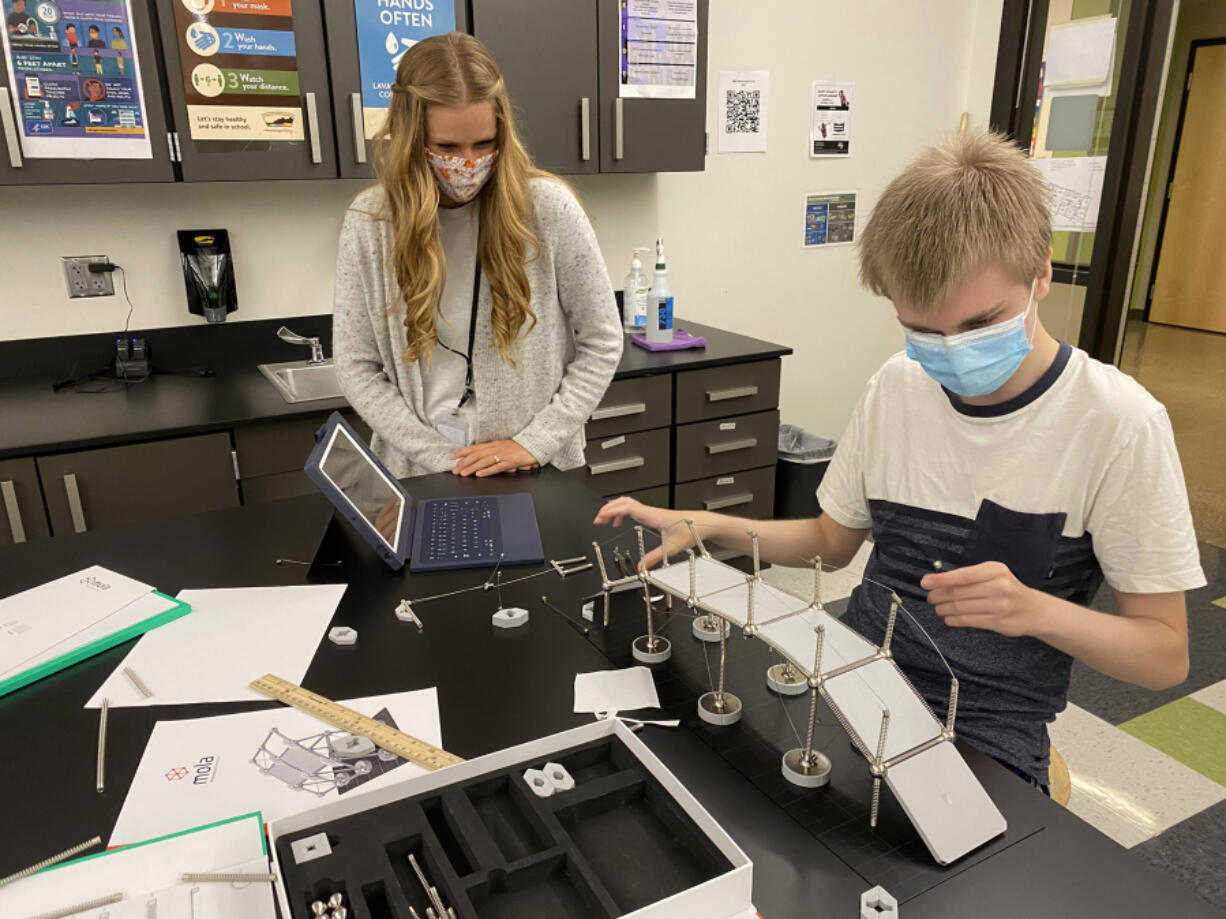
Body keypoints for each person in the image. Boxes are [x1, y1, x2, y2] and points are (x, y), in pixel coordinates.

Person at [595, 131, 1203, 792]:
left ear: (1042, 275)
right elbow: (829, 540)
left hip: (986, 726)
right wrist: (706, 525)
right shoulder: (898, 384)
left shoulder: (1118, 423)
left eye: (979, 325)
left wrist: (1034, 610)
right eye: (923, 329)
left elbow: (1164, 654)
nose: (951, 353)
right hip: (853, 672)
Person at [333, 33, 622, 479]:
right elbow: (356, 368)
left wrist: (534, 442)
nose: (467, 163)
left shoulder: (548, 209)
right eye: (446, 148)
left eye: (484, 144)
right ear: (410, 138)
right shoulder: (371, 223)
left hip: (535, 468)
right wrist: (442, 459)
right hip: (418, 471)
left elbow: (602, 342)